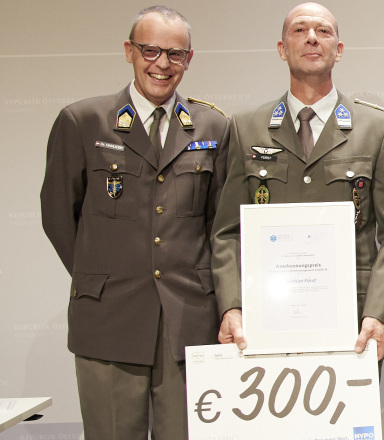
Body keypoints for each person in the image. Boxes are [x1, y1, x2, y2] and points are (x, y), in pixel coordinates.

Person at [39, 6, 229, 439]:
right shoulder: (84, 121)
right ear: (129, 51)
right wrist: (100, 276)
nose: (162, 64)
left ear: (189, 59)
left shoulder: (213, 125)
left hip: (189, 323)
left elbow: (221, 225)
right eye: (150, 50)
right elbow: (57, 215)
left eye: (175, 54)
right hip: (109, 319)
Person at [211, 2, 384, 361]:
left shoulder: (377, 128)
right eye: (299, 30)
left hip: (353, 325)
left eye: (323, 31)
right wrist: (232, 306)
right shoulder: (245, 127)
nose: (311, 38)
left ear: (338, 50)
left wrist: (374, 313)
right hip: (264, 321)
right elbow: (227, 232)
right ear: (282, 49)